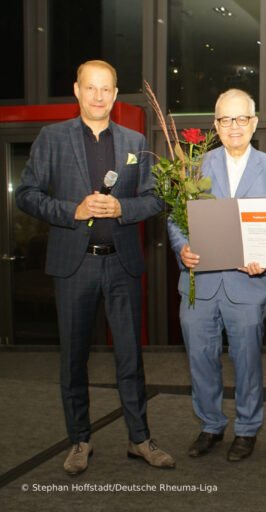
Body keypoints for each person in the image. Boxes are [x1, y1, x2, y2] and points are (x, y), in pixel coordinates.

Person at [16, 60, 174, 474]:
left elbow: (156, 199)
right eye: (91, 88)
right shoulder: (52, 138)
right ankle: (79, 440)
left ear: (116, 94)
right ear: (77, 90)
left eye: (106, 89)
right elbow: (27, 195)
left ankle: (139, 439)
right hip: (75, 267)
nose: (98, 96)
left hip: (122, 265)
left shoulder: (135, 142)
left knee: (130, 359)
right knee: (73, 360)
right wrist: (74, 210)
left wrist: (123, 208)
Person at [167, 89, 266, 462]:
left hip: (247, 285)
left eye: (241, 118)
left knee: (247, 362)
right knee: (200, 359)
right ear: (216, 125)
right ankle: (210, 424)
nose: (233, 126)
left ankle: (247, 428)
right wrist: (182, 248)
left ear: (254, 123)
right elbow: (175, 218)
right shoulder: (194, 166)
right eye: (225, 119)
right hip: (199, 284)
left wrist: (265, 258)